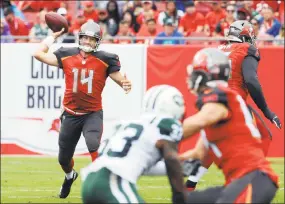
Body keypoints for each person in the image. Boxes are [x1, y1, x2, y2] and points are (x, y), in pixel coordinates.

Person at [33, 20, 132, 199]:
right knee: (64, 159)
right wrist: (51, 37)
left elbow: (117, 77)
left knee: (93, 144)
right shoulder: (66, 54)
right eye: (84, 38)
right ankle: (70, 176)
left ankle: (102, 186)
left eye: (91, 39)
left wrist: (124, 83)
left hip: (92, 113)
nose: (86, 42)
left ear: (98, 41)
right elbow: (38, 54)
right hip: (70, 114)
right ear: (79, 38)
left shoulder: (105, 58)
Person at [184, 20, 282, 191]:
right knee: (265, 136)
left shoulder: (219, 50)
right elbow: (251, 81)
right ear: (244, 34)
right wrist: (267, 111)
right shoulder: (246, 49)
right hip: (234, 102)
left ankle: (190, 183)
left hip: (213, 99)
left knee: (213, 141)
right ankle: (252, 178)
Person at [81, 85, 186, 204]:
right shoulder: (165, 124)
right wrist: (180, 195)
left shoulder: (130, 124)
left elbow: (140, 164)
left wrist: (180, 167)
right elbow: (171, 158)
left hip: (90, 180)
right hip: (114, 180)